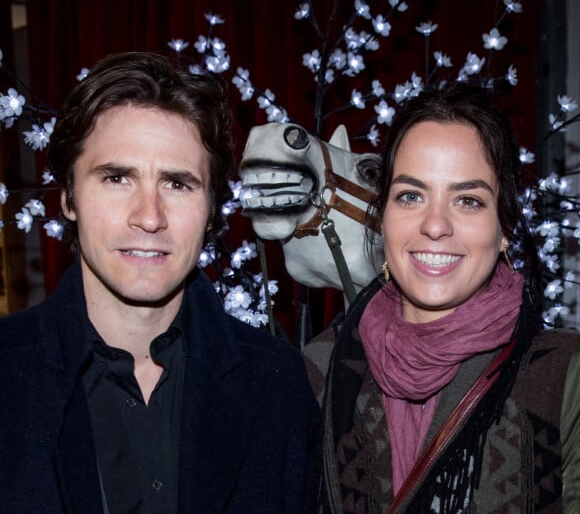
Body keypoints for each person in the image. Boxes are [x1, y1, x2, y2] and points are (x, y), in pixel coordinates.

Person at [0, 51, 319, 513]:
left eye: (177, 184)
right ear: (68, 196)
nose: (149, 217)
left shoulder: (278, 388)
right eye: (117, 178)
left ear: (212, 208)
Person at [303, 81, 580, 512]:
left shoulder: (564, 376)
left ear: (504, 228)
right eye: (411, 196)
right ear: (383, 217)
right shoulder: (316, 370)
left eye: (468, 201)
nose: (435, 225)